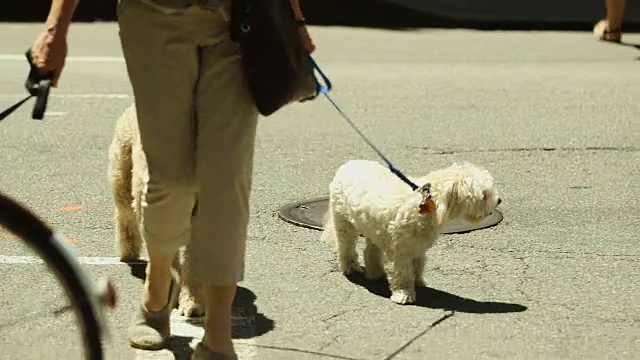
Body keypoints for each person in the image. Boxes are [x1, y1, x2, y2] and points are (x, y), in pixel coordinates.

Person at [31, 0, 315, 359]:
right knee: (169, 181)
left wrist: (295, 19)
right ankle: (157, 289)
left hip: (241, 19)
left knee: (227, 179)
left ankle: (218, 335)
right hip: (153, 17)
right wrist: (56, 28)